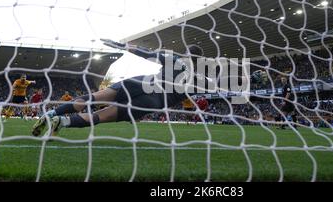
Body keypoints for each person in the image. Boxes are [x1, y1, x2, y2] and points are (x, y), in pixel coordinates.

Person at [31, 39, 209, 137]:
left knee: (93, 98)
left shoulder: (175, 59)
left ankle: (52, 115)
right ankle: (63, 122)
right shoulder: (199, 80)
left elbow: (147, 53)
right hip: (152, 101)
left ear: (186, 53)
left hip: (142, 82)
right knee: (100, 116)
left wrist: (121, 46)